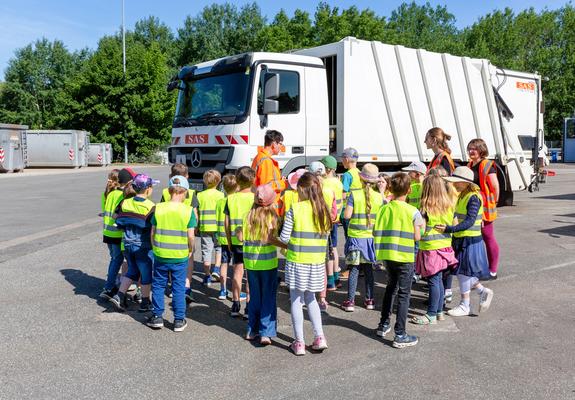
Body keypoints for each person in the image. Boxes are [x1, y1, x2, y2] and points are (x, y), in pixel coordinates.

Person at [272, 172, 331, 356]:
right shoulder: (324, 211)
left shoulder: (295, 210)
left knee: (296, 301)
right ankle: (319, 336)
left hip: (297, 261)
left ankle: (299, 342)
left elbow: (284, 237)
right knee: (311, 299)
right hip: (316, 263)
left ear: (303, 189)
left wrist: (273, 239)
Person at [374, 172, 424, 348]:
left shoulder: (384, 208)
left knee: (390, 288)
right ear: (409, 190)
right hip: (404, 257)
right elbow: (417, 237)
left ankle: (383, 324)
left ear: (390, 188)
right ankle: (400, 334)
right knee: (404, 294)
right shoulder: (413, 211)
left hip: (388, 255)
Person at [437, 167, 494, 317]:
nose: (453, 184)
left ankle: (465, 305)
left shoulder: (473, 197)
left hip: (470, 240)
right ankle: (482, 292)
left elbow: (469, 221)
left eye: (456, 182)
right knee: (463, 272)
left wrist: (449, 229)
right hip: (462, 238)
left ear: (465, 182)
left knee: (463, 272)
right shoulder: (462, 195)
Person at [147, 175, 196, 332]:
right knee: (178, 287)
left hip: (161, 253)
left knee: (159, 285)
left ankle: (157, 317)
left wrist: (155, 247)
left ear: (169, 191)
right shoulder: (188, 211)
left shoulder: (159, 208)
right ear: (185, 192)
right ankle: (179, 320)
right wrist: (191, 250)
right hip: (180, 255)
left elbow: (152, 232)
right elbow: (190, 236)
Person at [411, 174, 458, 325]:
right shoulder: (449, 206)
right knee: (439, 280)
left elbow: (422, 230)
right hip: (445, 248)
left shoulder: (425, 209)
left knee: (433, 281)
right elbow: (454, 225)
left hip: (430, 250)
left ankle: (431, 314)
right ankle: (439, 311)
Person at [110, 174, 158, 313]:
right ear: (148, 189)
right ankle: (145, 302)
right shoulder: (151, 206)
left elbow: (115, 216)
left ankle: (119, 295)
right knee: (146, 273)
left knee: (132, 270)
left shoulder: (126, 202)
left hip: (127, 243)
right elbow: (153, 226)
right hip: (142, 245)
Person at [341, 163, 384, 312]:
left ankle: (350, 301)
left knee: (354, 270)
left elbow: (346, 215)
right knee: (369, 271)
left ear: (360, 178)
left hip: (355, 239)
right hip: (370, 240)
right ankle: (369, 300)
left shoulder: (355, 194)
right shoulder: (379, 197)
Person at [242, 184, 280, 346]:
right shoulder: (272, 216)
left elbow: (241, 236)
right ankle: (266, 332)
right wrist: (286, 246)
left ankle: (252, 329)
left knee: (255, 297)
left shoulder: (248, 216)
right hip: (268, 264)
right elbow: (271, 238)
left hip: (251, 264)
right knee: (268, 298)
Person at [160, 163, 198, 300]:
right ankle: (186, 286)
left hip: (167, 232)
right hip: (185, 232)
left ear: (171, 176)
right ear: (187, 176)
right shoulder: (191, 193)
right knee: (189, 259)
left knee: (170, 260)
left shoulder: (166, 191)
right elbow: (195, 214)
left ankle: (171, 285)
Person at [99, 167, 136, 301]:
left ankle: (113, 284)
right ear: (128, 183)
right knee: (118, 260)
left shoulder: (111, 193)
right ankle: (109, 287)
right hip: (117, 233)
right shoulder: (123, 196)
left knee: (114, 259)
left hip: (107, 232)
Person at [224, 167, 256, 317]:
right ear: (253, 180)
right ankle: (249, 304)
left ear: (237, 181)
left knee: (237, 271)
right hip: (252, 242)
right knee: (250, 274)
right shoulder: (255, 198)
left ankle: (235, 303)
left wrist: (229, 241)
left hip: (236, 241)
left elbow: (226, 222)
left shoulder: (230, 198)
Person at [466, 139, 500, 280]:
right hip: (473, 206)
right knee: (474, 238)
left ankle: (492, 270)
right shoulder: (469, 165)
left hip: (484, 208)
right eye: (469, 148)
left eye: (474, 148)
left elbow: (495, 187)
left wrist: (493, 204)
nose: (471, 151)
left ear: (481, 150)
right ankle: (477, 267)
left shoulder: (487, 165)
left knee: (488, 237)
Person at [309, 161, 338, 312]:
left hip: (310, 231)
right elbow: (334, 214)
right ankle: (322, 298)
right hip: (325, 231)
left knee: (309, 265)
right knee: (322, 264)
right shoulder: (329, 189)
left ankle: (308, 297)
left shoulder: (309, 191)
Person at [196, 170, 224, 287]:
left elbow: (196, 212)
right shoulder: (221, 195)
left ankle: (207, 275)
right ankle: (216, 269)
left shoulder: (200, 195)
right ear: (218, 181)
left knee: (206, 250)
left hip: (204, 227)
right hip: (218, 227)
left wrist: (197, 226)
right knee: (218, 248)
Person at [320, 155, 344, 290]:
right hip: (336, 219)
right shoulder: (338, 182)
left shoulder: (325, 183)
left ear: (327, 169)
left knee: (327, 250)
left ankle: (330, 280)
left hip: (327, 221)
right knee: (334, 248)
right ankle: (336, 276)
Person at [215, 174, 238, 300]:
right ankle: (236, 291)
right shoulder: (236, 201)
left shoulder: (219, 202)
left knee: (224, 264)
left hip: (222, 238)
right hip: (234, 239)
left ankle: (222, 290)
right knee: (236, 266)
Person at [251, 130, 287, 208]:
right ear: (274, 144)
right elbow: (266, 188)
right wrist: (282, 183)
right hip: (268, 208)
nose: (281, 147)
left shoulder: (259, 157)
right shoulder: (266, 161)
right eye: (280, 144)